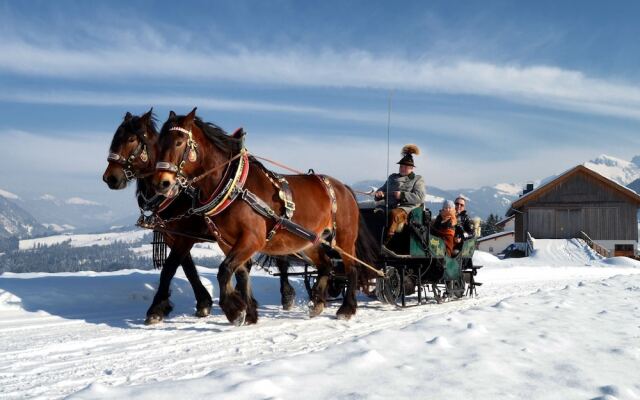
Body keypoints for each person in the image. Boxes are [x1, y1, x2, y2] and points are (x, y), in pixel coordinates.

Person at [374, 144, 426, 214]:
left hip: (407, 210)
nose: (402, 169)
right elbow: (383, 189)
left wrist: (402, 195)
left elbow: (420, 197)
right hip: (388, 207)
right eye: (401, 166)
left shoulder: (417, 179)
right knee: (374, 213)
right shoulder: (392, 177)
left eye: (405, 167)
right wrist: (379, 194)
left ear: (411, 168)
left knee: (395, 214)